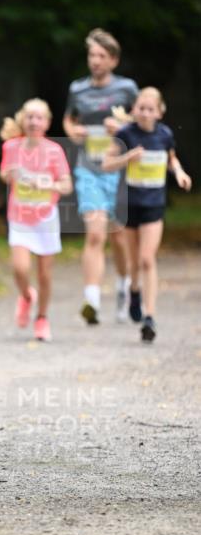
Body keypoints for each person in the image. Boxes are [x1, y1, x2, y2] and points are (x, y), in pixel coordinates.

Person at [102, 87, 191, 343]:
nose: (145, 113)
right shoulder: (125, 134)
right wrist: (127, 158)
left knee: (147, 259)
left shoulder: (165, 135)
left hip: (154, 205)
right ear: (134, 110)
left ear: (160, 112)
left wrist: (180, 173)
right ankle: (134, 289)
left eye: (150, 109)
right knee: (133, 264)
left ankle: (150, 317)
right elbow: (106, 164)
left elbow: (171, 159)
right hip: (130, 205)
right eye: (141, 108)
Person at [63, 29, 138, 324]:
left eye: (101, 56)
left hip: (118, 168)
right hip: (89, 167)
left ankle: (123, 287)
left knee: (118, 236)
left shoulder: (127, 88)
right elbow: (69, 119)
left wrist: (121, 126)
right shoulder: (78, 88)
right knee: (95, 234)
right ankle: (92, 300)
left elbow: (143, 120)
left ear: (114, 60)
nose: (94, 61)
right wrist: (73, 132)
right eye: (91, 55)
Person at [0, 99, 73, 342]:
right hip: (20, 217)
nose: (33, 121)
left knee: (44, 274)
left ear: (47, 123)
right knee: (20, 268)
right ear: (23, 120)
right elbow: (4, 174)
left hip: (45, 219)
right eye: (30, 116)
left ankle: (41, 318)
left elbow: (66, 184)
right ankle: (27, 296)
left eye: (39, 117)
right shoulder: (11, 147)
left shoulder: (54, 150)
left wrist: (47, 184)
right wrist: (12, 175)